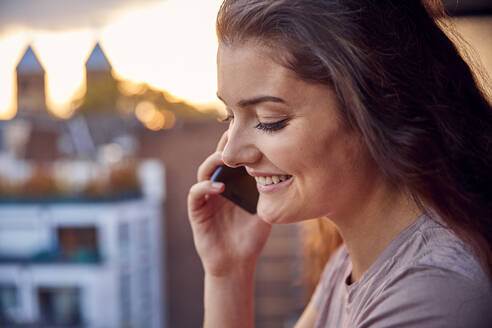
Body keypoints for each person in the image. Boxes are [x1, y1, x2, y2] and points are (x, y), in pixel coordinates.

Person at [187, 0, 492, 327]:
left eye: (269, 120)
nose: (231, 154)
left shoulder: (432, 295)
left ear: (380, 107)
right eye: (230, 116)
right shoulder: (350, 261)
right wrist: (229, 270)